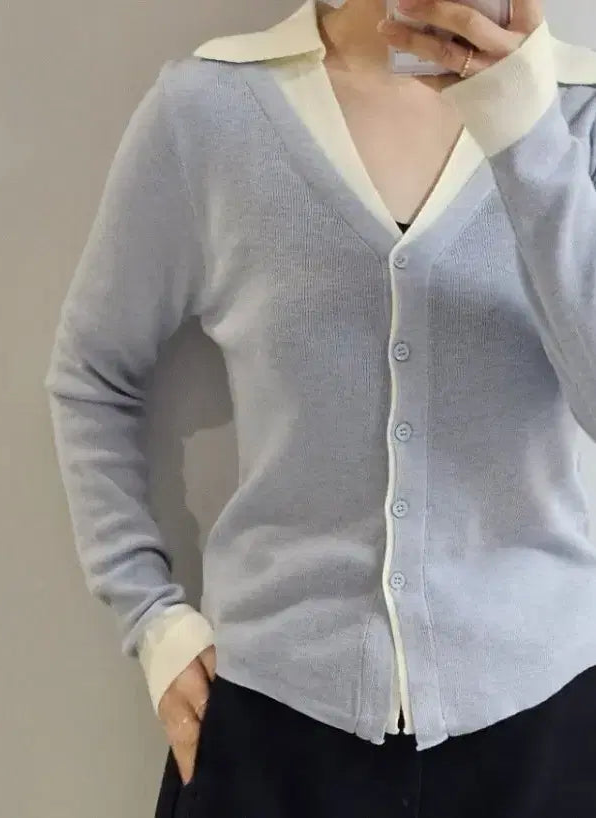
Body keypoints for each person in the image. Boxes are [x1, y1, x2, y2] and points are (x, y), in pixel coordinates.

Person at [44, 0, 596, 814]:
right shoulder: (212, 109)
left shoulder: (579, 113)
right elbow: (92, 373)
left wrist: (524, 130)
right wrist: (152, 619)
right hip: (274, 724)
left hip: (543, 725)